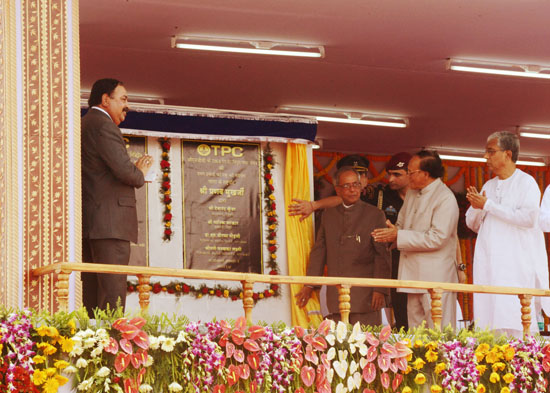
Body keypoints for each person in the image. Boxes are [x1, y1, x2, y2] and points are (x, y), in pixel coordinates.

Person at [81, 78, 153, 317]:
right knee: (112, 295)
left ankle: (93, 348)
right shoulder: (104, 125)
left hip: (94, 224)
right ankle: (110, 348)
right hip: (110, 226)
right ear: (105, 99)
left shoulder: (86, 124)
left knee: (94, 296)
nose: (126, 106)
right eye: (123, 99)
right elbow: (125, 173)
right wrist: (139, 171)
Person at [466, 131, 548, 337]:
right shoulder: (488, 186)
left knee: (514, 322)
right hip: (489, 265)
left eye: (491, 152)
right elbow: (472, 224)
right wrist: (478, 207)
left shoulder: (526, 183)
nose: (486, 157)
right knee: (489, 322)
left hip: (515, 268)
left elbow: (529, 218)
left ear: (508, 154)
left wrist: (489, 205)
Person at [372, 150, 459, 329]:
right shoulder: (412, 193)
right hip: (412, 276)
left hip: (435, 279)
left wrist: (399, 236)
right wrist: (391, 235)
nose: (409, 177)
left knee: (439, 333)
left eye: (411, 172)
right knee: (416, 333)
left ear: (425, 174)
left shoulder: (445, 198)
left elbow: (437, 238)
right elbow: (402, 223)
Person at [294, 167, 391, 326]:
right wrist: (310, 284)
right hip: (336, 295)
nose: (352, 190)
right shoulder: (329, 215)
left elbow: (382, 255)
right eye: (346, 186)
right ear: (337, 189)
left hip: (366, 296)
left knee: (368, 345)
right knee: (337, 346)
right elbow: (320, 251)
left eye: (356, 185)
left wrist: (380, 289)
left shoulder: (375, 215)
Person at [364, 152, 412, 330]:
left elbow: (445, 233)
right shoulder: (381, 195)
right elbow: (347, 199)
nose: (390, 179)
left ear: (411, 173)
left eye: (397, 174)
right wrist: (314, 206)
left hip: (418, 261)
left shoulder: (424, 197)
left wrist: (460, 266)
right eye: (389, 174)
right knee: (400, 310)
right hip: (392, 261)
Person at [288, 154, 370, 219]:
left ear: (366, 179)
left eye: (360, 174)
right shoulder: (332, 203)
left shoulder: (374, 198)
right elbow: (342, 200)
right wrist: (313, 205)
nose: (357, 179)